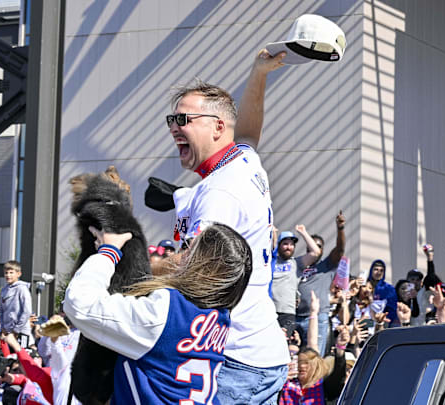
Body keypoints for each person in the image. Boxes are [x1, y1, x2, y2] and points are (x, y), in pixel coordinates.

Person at [168, 49, 289, 403]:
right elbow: (249, 132)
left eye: (185, 119)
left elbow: (193, 276)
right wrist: (259, 73)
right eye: (172, 120)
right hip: (262, 350)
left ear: (218, 127)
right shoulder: (242, 161)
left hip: (234, 358)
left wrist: (121, 262)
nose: (175, 127)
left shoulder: (219, 192)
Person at [64, 223, 253, 404]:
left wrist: (109, 251)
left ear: (202, 265)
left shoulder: (166, 312)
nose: (181, 255)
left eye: (188, 249)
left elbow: (81, 304)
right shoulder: (220, 316)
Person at [296, 213, 346, 352]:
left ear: (322, 250)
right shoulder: (300, 264)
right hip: (295, 317)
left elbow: (340, 249)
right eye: (311, 246)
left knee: (314, 357)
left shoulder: (327, 265)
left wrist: (340, 228)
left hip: (317, 317)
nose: (314, 248)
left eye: (318, 246)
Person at [271, 225, 321, 333]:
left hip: (287, 314)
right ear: (279, 246)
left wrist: (303, 232)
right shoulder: (271, 261)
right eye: (285, 244)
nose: (288, 247)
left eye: (291, 244)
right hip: (269, 311)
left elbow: (315, 252)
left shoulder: (296, 263)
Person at [0, 260, 33, 346]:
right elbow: (1, 310)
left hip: (20, 331)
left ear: (18, 274)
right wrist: (3, 327)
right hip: (7, 331)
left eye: (11, 273)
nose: (8, 275)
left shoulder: (22, 289)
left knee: (21, 355)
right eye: (6, 273)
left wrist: (16, 330)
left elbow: (27, 311)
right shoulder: (4, 290)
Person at [367, 259, 398, 326]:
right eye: (376, 269)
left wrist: (383, 320)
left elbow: (392, 309)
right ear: (371, 270)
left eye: (381, 270)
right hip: (365, 322)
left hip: (382, 323)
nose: (378, 272)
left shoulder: (389, 289)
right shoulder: (364, 287)